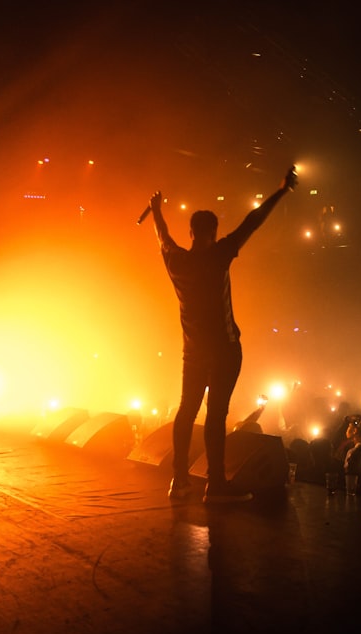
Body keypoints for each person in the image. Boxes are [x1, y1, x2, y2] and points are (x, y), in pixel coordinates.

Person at [155, 165, 298, 503]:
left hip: (192, 352)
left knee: (186, 409)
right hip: (224, 349)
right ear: (215, 232)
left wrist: (158, 211)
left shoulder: (175, 261)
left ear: (190, 232)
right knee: (216, 413)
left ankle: (178, 481)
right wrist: (281, 191)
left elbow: (162, 237)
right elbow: (253, 221)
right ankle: (215, 486)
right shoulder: (220, 255)